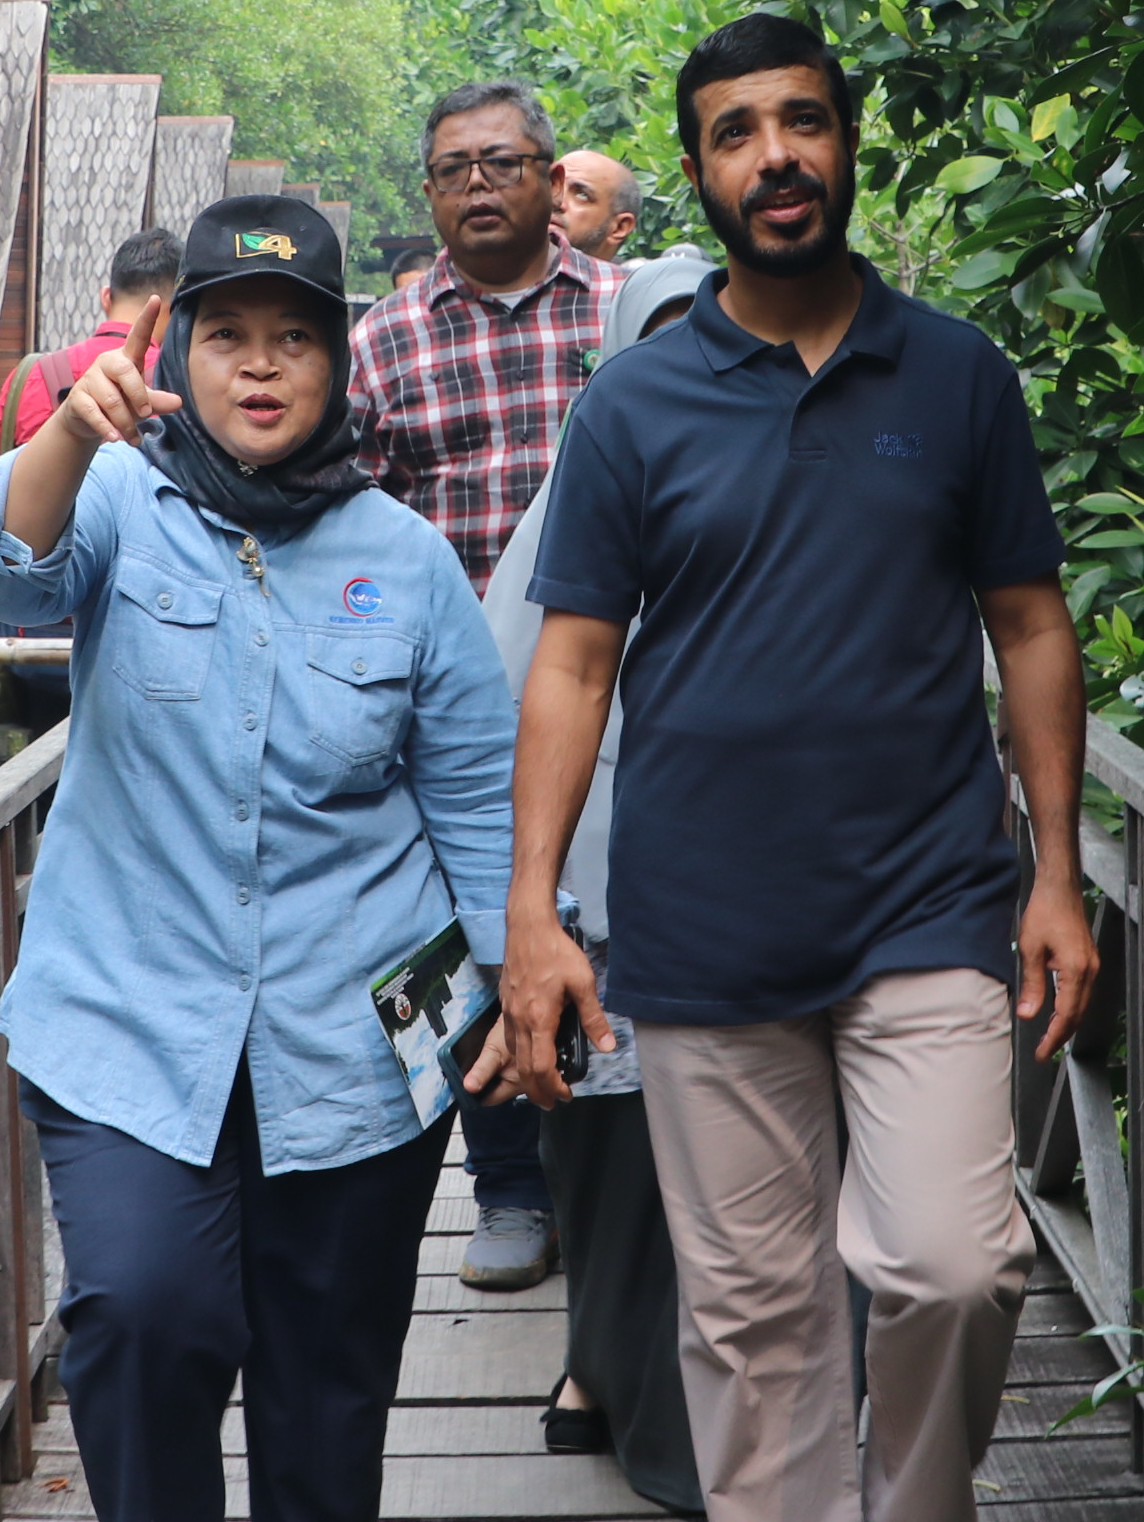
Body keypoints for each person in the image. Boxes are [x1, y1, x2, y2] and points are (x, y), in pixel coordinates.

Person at [483, 13, 1099, 1522]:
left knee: (955, 1267)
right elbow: (572, 663)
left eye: (803, 122)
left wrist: (1060, 874)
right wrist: (535, 913)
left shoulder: (956, 379)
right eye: (739, 132)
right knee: (754, 1327)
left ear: (846, 140)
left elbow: (1028, 626)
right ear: (697, 171)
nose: (777, 157)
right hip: (705, 924)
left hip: (930, 906)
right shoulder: (631, 405)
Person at [0, 195, 514, 1522]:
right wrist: (66, 436)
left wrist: (504, 978)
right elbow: (5, 573)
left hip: (360, 1034)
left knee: (329, 1383)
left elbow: (477, 796)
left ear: (339, 365)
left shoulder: (411, 563)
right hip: (131, 1015)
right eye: (230, 337)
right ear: (179, 354)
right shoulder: (121, 502)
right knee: (145, 1314)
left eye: (295, 340)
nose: (261, 366)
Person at [349, 78, 627, 1291]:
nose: (476, 184)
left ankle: (619, 1178)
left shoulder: (628, 311)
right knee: (469, 934)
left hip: (623, 690)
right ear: (428, 191)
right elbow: (332, 507)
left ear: (552, 180)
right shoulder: (388, 339)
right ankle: (510, 1185)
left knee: (624, 928)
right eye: (453, 167)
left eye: (502, 163)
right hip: (451, 708)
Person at [478, 249, 716, 1511]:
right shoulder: (591, 467)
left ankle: (665, 1411)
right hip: (603, 890)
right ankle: (617, 1387)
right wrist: (530, 909)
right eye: (664, 333)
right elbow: (522, 678)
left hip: (749, 899)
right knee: (615, 1168)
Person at [0, 228, 188, 731]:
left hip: (36, 635)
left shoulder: (33, 375)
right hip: (144, 643)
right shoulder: (181, 382)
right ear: (174, 310)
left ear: (106, 296)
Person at [551, 150, 642, 262]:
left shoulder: (637, 279)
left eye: (582, 195)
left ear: (619, 227)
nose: (554, 200)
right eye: (550, 185)